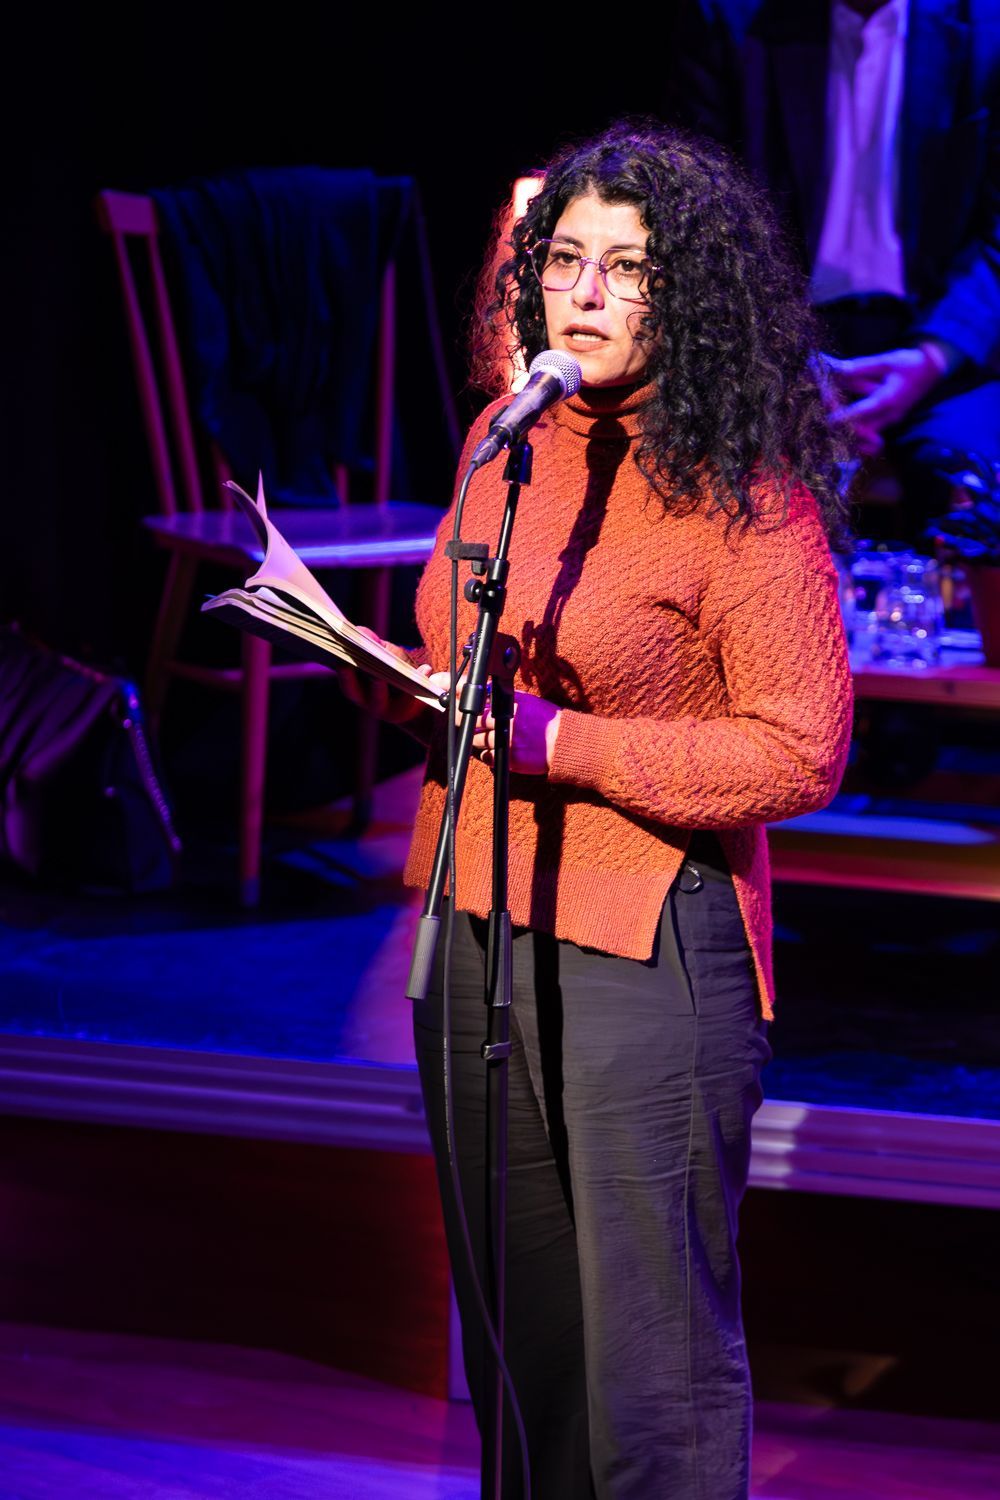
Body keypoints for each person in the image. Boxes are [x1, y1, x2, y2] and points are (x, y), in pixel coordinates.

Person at [343, 120, 854, 1499]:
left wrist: (558, 740)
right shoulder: (504, 449)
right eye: (564, 260)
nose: (581, 293)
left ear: (687, 297)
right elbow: (460, 648)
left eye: (627, 270)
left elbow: (802, 753)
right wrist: (398, 683)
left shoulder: (749, 498)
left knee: (650, 1376)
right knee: (525, 1353)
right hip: (477, 918)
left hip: (650, 941)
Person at [668, 0, 1000, 539]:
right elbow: (702, 219)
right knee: (727, 496)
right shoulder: (730, 21)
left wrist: (934, 357)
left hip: (944, 337)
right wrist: (784, 358)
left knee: (981, 488)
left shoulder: (987, 28)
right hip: (774, 331)